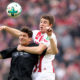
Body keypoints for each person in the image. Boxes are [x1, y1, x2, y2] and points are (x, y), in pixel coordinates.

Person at [0, 15, 58, 80]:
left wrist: (23, 48)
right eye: (41, 22)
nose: (42, 24)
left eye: (45, 22)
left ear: (50, 25)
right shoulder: (37, 33)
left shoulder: (50, 35)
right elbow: (20, 34)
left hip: (45, 72)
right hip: (34, 72)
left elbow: (39, 50)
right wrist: (6, 28)